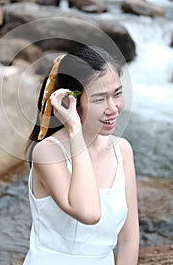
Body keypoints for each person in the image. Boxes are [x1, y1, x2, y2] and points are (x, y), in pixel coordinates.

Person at [23, 45, 139, 265]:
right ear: (70, 101)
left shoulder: (122, 150)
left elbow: (128, 240)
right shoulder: (47, 152)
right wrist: (75, 130)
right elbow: (88, 212)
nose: (113, 108)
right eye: (99, 99)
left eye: (117, 94)